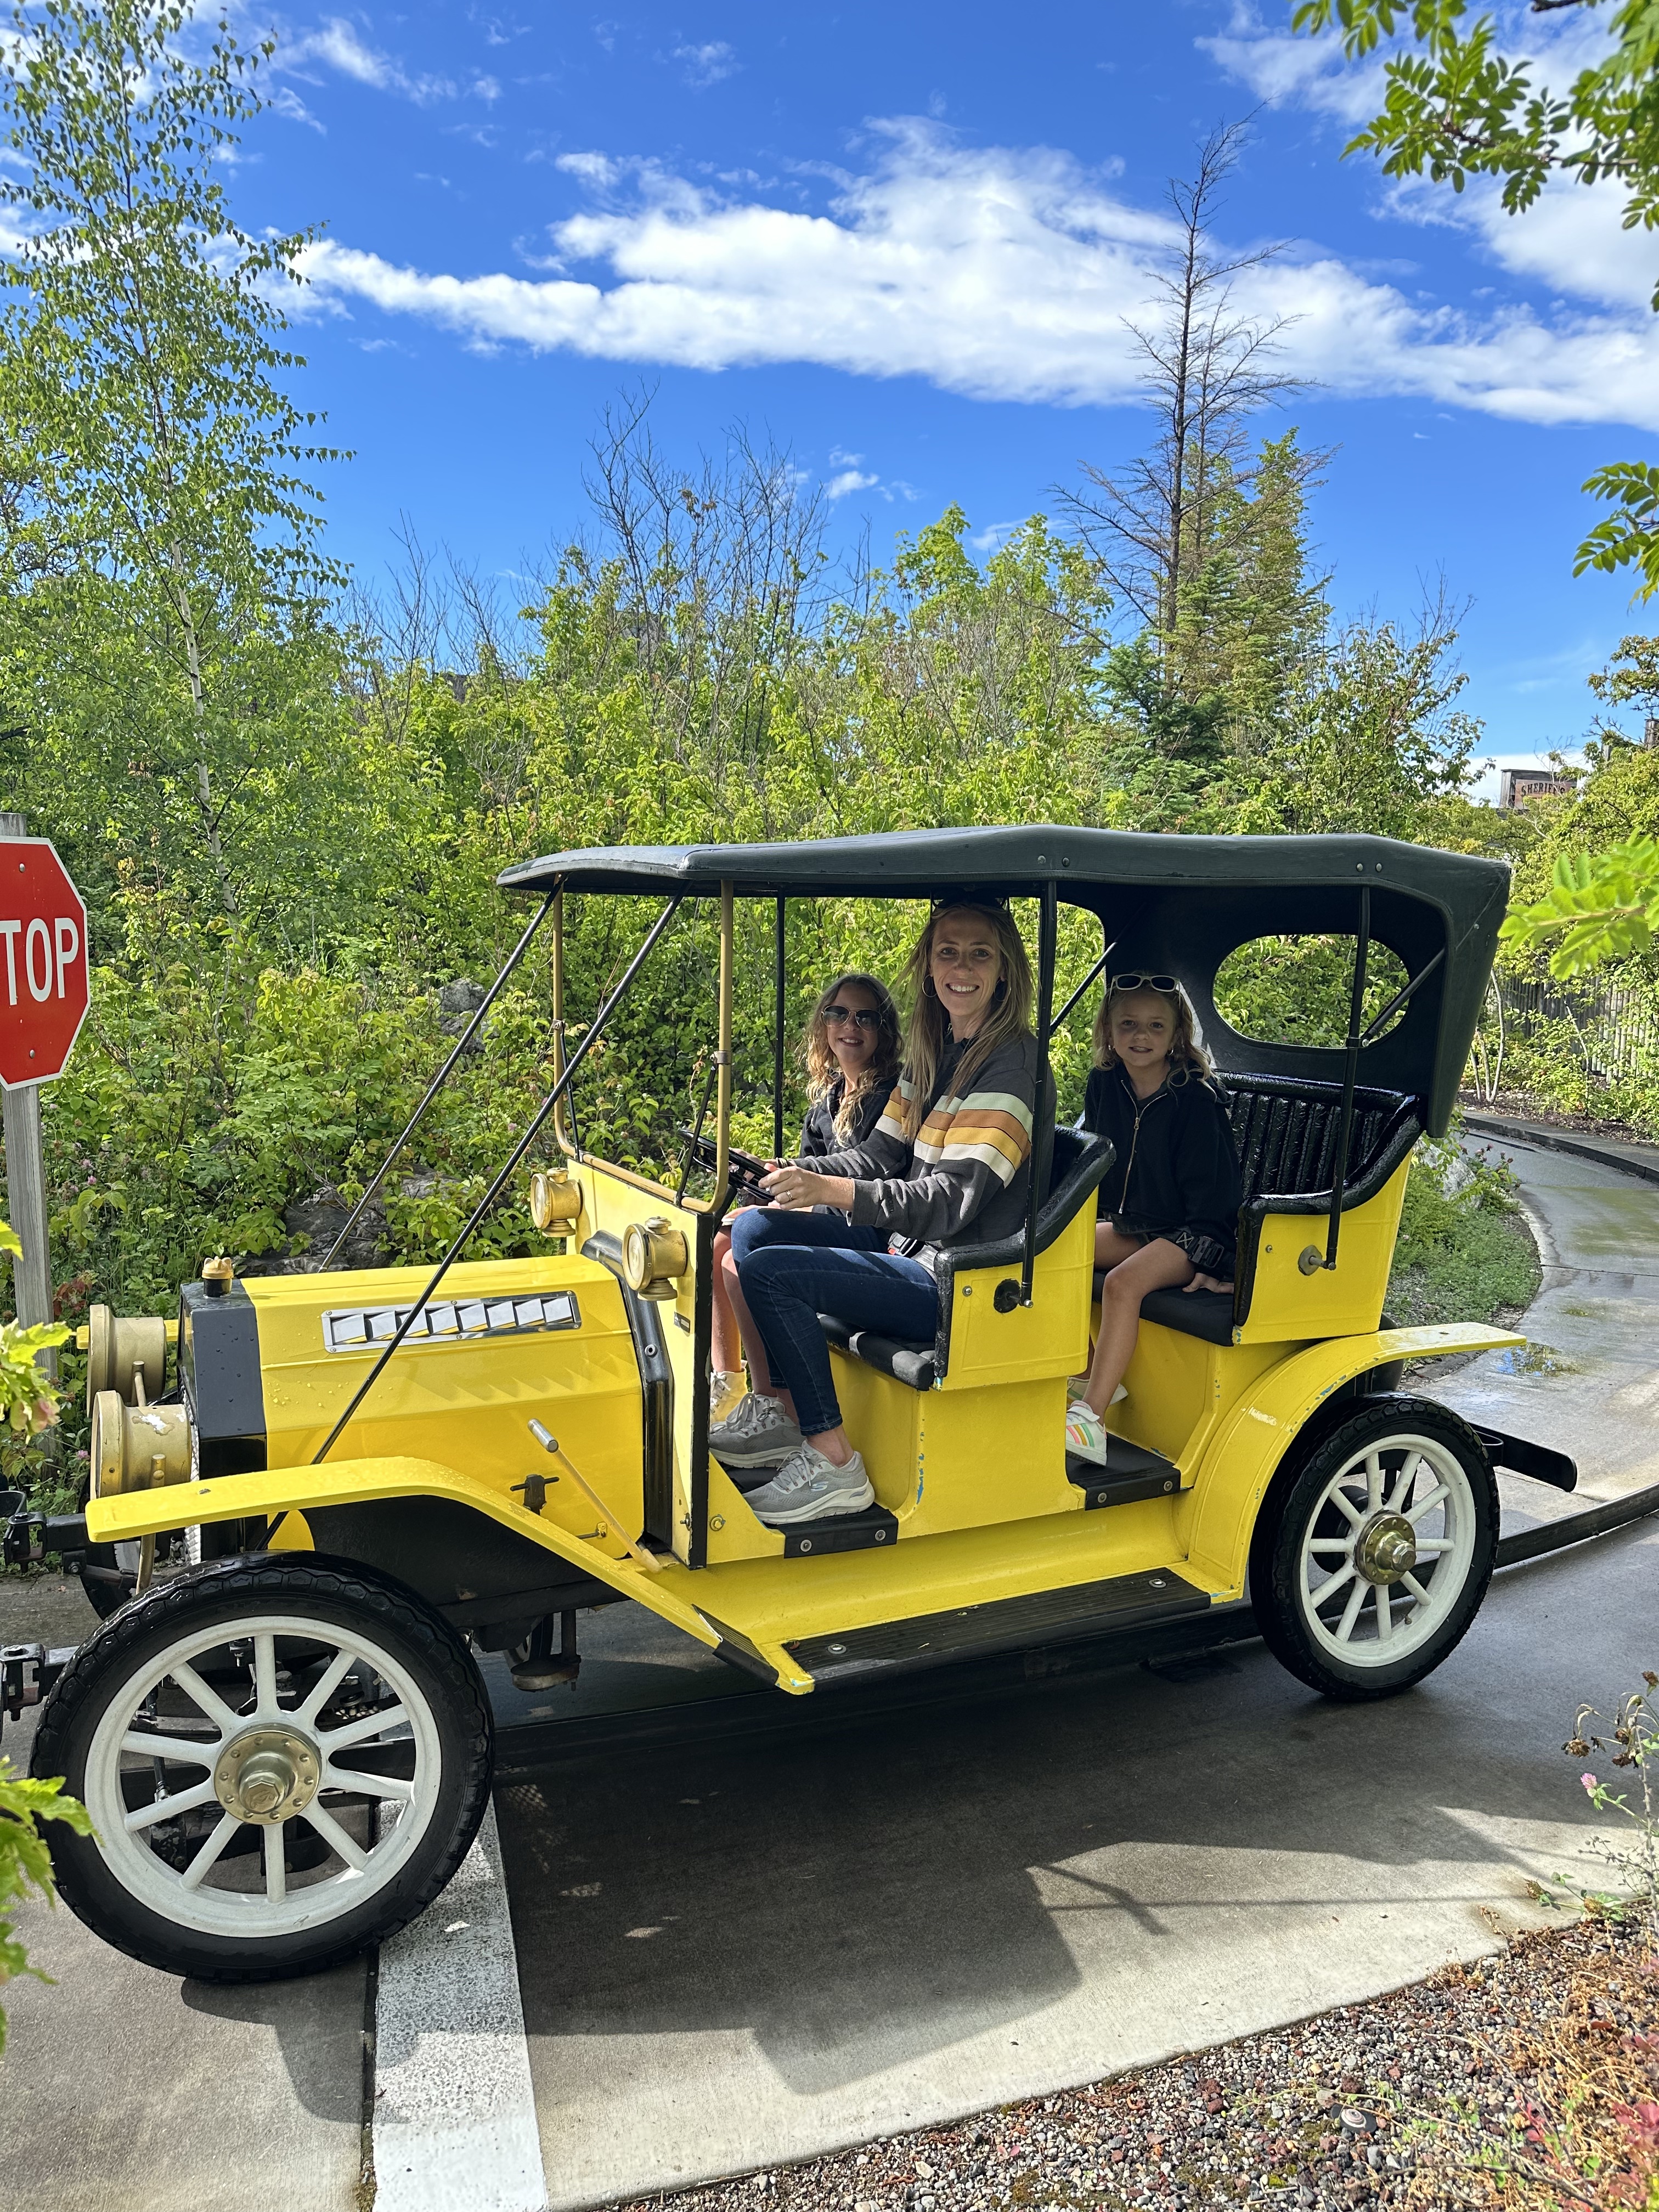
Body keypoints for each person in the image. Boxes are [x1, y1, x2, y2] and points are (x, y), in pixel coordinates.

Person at [708, 895, 1041, 1527]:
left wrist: (832, 1194)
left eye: (979, 954)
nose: (961, 968)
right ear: (928, 966)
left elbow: (949, 1203)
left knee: (773, 1274)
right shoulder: (933, 1053)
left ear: (1004, 970)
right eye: (948, 952)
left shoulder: (1012, 1066)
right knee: (752, 1228)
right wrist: (795, 1175)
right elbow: (878, 1156)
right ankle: (780, 1414)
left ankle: (834, 1464)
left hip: (961, 1283)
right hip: (910, 1253)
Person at [1065, 973, 1243, 1466]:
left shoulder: (1196, 1099)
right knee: (1056, 1250)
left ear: (1176, 1035)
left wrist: (1222, 1262)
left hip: (1195, 1233)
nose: (1140, 1037)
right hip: (1137, 1223)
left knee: (1123, 1284)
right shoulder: (1107, 1082)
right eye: (1128, 1024)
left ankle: (1091, 1418)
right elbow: (1096, 1162)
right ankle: (1085, 1369)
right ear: (1108, 1030)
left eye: (1154, 1027)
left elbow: (1217, 1197)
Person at [708, 973, 901, 1423]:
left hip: (868, 1231)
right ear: (824, 1024)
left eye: (865, 1017)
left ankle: (777, 1402)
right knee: (720, 1240)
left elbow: (872, 1182)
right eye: (838, 1014)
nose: (850, 1026)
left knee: (740, 1261)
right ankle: (731, 1385)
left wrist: (793, 1203)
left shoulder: (890, 1097)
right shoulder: (827, 1103)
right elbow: (805, 1177)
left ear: (883, 1031)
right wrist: (764, 1182)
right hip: (829, 1223)